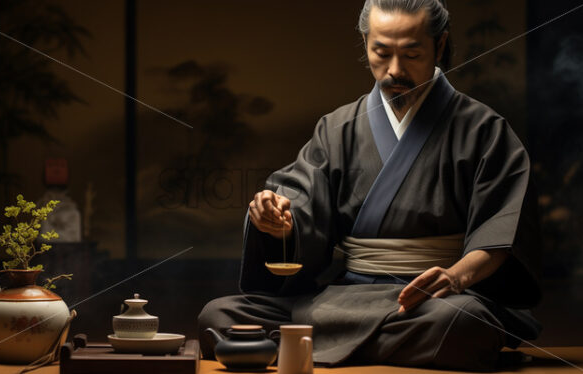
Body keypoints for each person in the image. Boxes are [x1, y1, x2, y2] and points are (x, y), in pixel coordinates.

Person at [198, 0, 542, 371]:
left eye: (411, 53)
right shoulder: (337, 128)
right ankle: (379, 346)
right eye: (381, 52)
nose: (395, 70)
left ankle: (317, 344)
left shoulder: (483, 130)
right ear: (365, 44)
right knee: (217, 317)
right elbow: (300, 201)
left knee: (466, 323)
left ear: (439, 46)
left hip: (431, 301)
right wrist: (278, 221)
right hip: (345, 297)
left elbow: (500, 231)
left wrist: (456, 278)